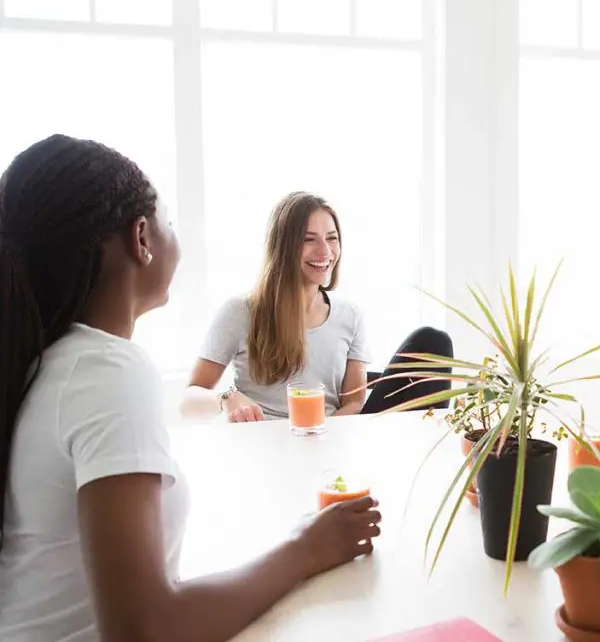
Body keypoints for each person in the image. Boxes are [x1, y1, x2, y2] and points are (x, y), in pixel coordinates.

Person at [0, 136, 381, 642]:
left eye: (331, 238)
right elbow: (146, 629)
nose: (323, 251)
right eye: (169, 222)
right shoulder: (106, 372)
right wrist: (306, 547)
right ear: (142, 237)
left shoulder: (46, 359)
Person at [184, 191, 453, 422]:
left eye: (332, 238)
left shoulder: (350, 316)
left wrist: (324, 441)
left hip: (332, 435)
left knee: (432, 341)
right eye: (308, 239)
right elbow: (188, 399)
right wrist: (227, 397)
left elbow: (353, 403)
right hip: (264, 443)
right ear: (283, 247)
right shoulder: (240, 311)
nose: (325, 251)